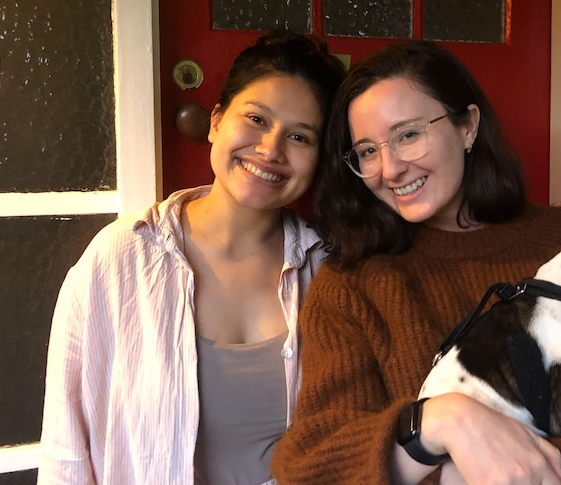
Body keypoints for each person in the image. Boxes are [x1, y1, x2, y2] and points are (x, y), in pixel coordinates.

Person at [271, 40, 561, 484]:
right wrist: (442, 422)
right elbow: (312, 467)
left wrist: (496, 466)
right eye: (367, 151)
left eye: (408, 134)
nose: (390, 169)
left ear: (467, 126)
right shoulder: (353, 285)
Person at [37, 30, 345, 485]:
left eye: (299, 136)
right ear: (216, 121)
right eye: (257, 119)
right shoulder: (119, 260)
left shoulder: (328, 269)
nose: (271, 150)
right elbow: (66, 445)